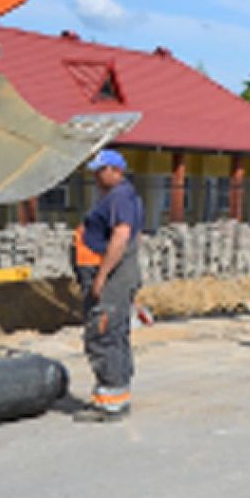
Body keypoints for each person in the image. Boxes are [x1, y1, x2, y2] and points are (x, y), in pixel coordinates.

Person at [71, 149, 144, 422]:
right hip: (118, 276)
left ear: (116, 170)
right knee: (114, 333)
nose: (96, 176)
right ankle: (117, 394)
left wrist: (102, 276)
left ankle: (110, 402)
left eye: (100, 171)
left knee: (103, 335)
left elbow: (122, 236)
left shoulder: (119, 197)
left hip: (111, 277)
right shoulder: (122, 196)